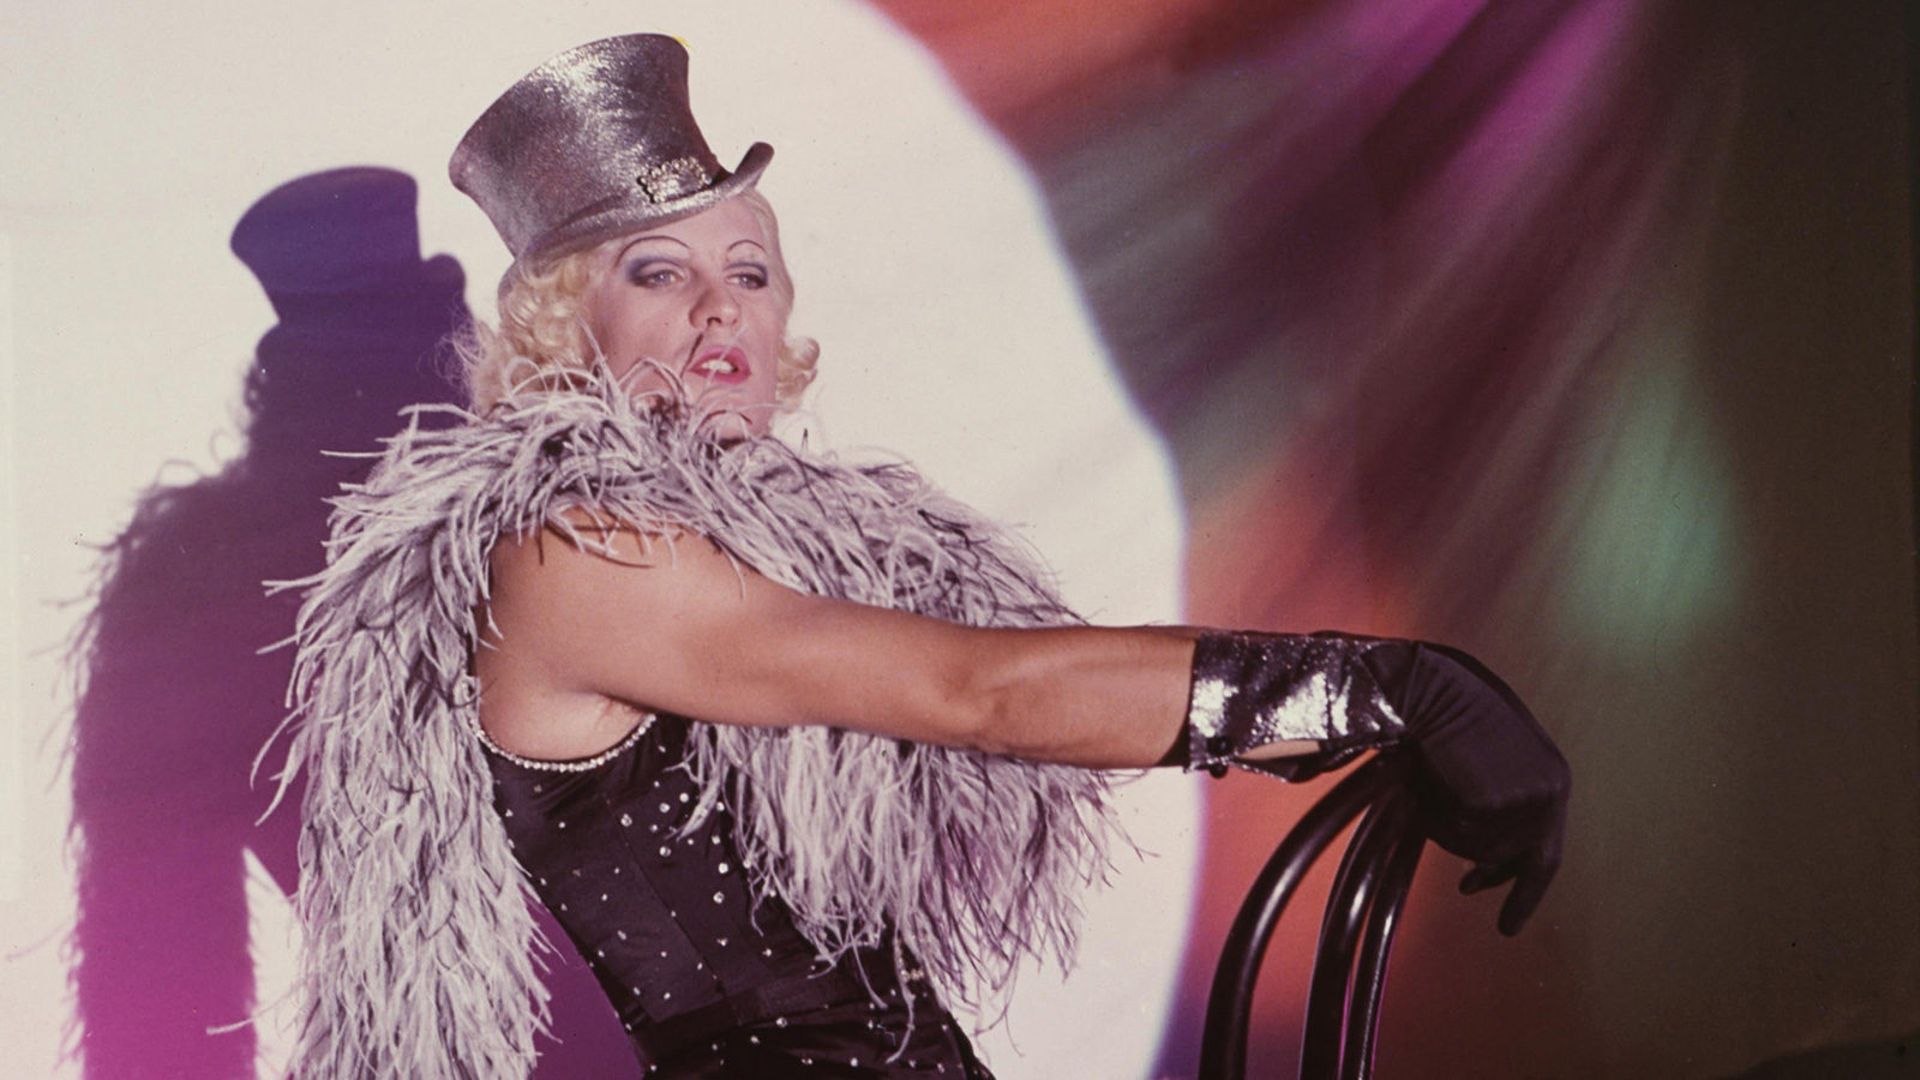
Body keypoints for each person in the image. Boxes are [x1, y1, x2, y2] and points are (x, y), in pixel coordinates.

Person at [263, 33, 1570, 1079]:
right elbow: (979, 691)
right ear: (563, 330)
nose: (721, 308)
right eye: (658, 274)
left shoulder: (758, 547)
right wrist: (1378, 687)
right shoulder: (575, 553)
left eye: (750, 272)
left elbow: (1009, 692)